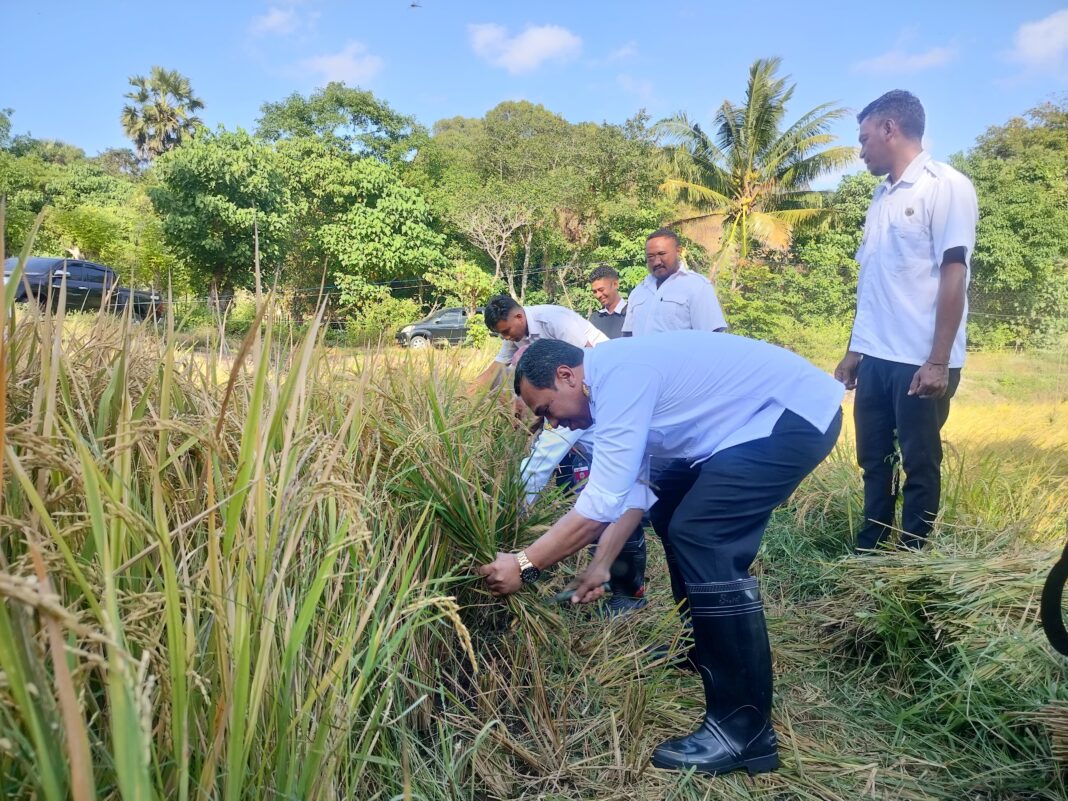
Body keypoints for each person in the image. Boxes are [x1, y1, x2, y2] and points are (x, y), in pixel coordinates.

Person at [478, 333, 844, 776]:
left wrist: (524, 565)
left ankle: (743, 732)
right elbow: (637, 489)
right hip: (749, 426)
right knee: (672, 506)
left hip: (792, 417)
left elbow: (597, 506)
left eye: (546, 411)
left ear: (566, 376)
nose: (554, 424)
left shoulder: (620, 376)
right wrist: (599, 568)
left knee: (705, 535)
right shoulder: (611, 384)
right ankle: (702, 645)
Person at [834, 90, 978, 552]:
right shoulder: (881, 197)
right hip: (877, 357)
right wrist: (856, 349)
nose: (861, 151)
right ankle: (871, 546)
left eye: (864, 138)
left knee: (919, 462)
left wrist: (938, 361)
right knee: (874, 459)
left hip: (921, 359)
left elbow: (954, 274)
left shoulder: (945, 186)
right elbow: (874, 280)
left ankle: (912, 554)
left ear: (889, 129)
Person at [470, 295, 607, 394]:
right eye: (501, 334)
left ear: (519, 317)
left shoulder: (553, 320)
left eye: (506, 331)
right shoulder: (513, 336)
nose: (506, 338)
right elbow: (496, 369)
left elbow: (588, 356)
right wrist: (465, 392)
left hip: (601, 367)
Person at [621, 228, 727, 336]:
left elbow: (712, 337)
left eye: (662, 254)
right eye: (650, 257)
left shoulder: (697, 286)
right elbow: (628, 337)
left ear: (678, 251)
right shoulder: (638, 292)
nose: (657, 261)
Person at [587, 265, 628, 339]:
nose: (598, 295)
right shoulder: (594, 319)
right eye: (594, 291)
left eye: (601, 290)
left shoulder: (631, 314)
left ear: (615, 284)